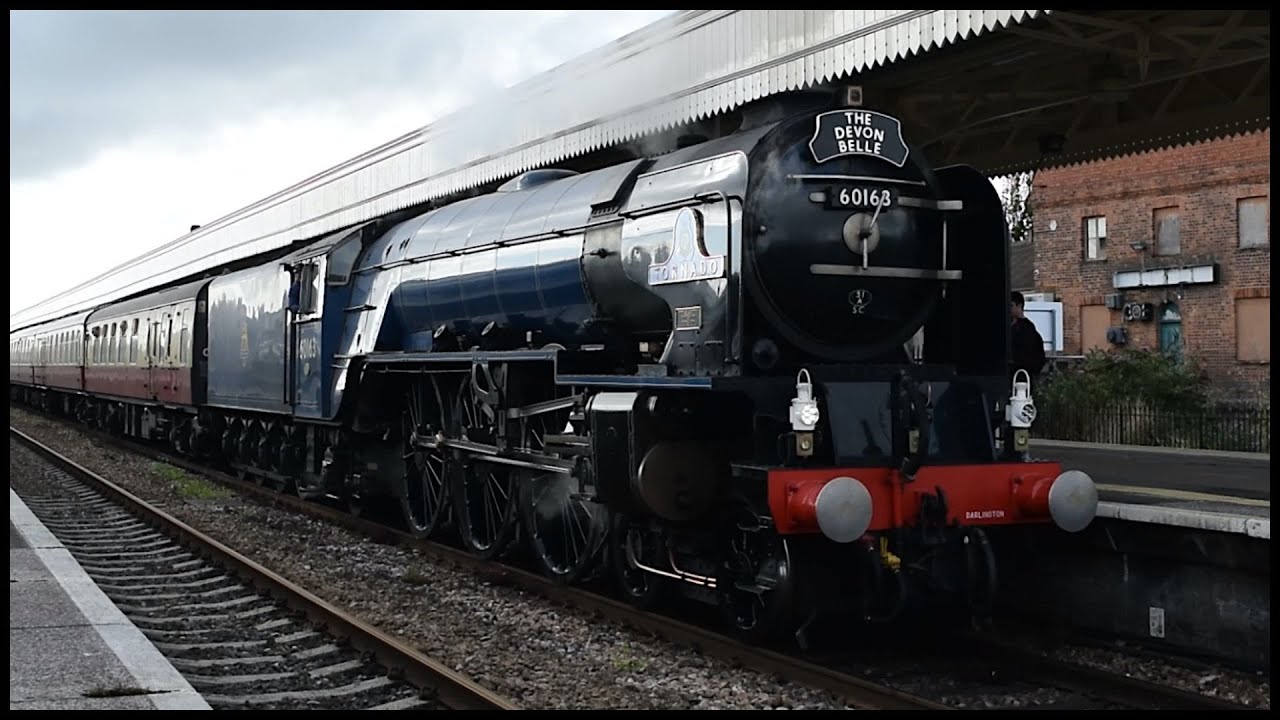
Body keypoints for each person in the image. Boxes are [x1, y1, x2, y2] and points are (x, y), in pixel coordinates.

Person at [1010, 291, 1046, 385]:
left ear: (1019, 306)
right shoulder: (1014, 327)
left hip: (1022, 376)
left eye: (1011, 306)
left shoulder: (1027, 328)